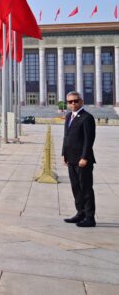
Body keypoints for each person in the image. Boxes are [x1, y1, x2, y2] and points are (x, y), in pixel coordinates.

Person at [62, 91, 97, 228]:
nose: (73, 103)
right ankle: (80, 213)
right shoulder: (68, 116)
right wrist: (64, 154)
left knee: (86, 188)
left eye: (76, 101)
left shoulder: (87, 117)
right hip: (71, 159)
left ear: (81, 101)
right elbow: (66, 137)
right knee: (76, 188)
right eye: (70, 101)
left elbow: (89, 140)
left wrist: (84, 157)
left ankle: (90, 217)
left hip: (83, 160)